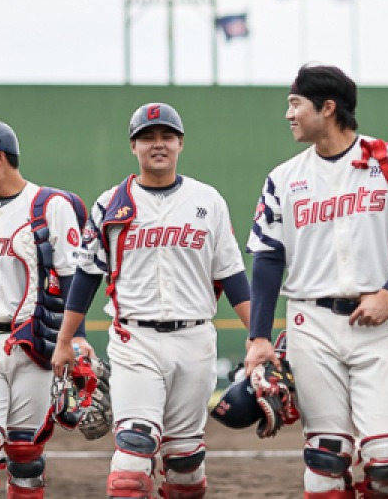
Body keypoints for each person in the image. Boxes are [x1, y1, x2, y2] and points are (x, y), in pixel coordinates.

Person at [245, 64, 388, 499]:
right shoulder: (284, 178)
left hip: (379, 323)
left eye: (296, 104)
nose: (289, 114)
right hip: (310, 324)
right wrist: (258, 336)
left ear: (328, 107)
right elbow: (267, 257)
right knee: (325, 458)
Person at [51, 102, 253, 499]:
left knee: (184, 464)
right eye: (147, 137)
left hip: (195, 340)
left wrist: (257, 335)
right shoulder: (111, 203)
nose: (157, 144)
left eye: (166, 136)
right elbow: (87, 277)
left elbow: (231, 274)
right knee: (132, 459)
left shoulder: (207, 200)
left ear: (180, 143)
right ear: (133, 146)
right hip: (135, 340)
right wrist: (65, 340)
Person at [0, 120, 92, 499]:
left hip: (33, 341)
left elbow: (72, 276)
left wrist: (76, 339)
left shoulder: (50, 205)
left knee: (25, 454)